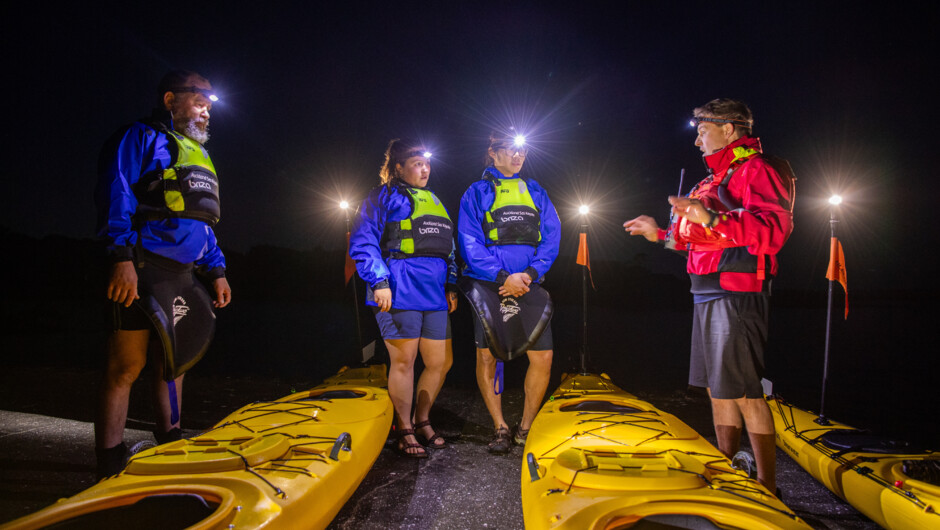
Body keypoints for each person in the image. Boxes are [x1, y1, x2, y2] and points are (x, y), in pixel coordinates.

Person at [624, 98, 794, 493]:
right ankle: (728, 467)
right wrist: (659, 234)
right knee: (718, 388)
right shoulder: (708, 181)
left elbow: (773, 231)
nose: (698, 140)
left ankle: (768, 487)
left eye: (703, 130)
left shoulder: (758, 169)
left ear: (729, 129)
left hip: (738, 288)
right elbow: (695, 239)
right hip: (704, 290)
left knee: (748, 391)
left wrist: (712, 217)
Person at [94, 70, 232, 479]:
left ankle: (170, 440)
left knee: (175, 362)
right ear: (171, 99)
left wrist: (217, 269)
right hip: (141, 264)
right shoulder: (139, 136)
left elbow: (200, 220)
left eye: (210, 104)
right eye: (198, 100)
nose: (206, 109)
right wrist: (120, 257)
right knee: (126, 366)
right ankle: (109, 460)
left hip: (186, 274)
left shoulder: (200, 155)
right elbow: (116, 191)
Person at [349, 138, 457, 458]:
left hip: (435, 292)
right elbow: (364, 239)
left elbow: (447, 247)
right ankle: (403, 427)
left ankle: (422, 419)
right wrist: (379, 281)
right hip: (399, 286)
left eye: (427, 163)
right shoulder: (383, 196)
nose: (425, 169)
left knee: (441, 361)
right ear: (398, 167)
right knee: (404, 361)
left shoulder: (435, 200)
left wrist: (451, 284)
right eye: (416, 163)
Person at [457, 131, 561, 454]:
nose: (519, 157)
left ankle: (525, 428)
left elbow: (552, 237)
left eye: (523, 151)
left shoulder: (535, 191)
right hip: (490, 285)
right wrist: (503, 276)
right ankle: (500, 427)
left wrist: (530, 274)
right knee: (487, 356)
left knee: (543, 358)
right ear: (493, 152)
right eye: (512, 151)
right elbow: (469, 242)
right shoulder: (476, 193)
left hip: (528, 283)